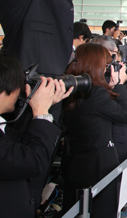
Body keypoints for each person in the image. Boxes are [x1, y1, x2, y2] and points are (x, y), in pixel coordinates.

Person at [62, 43, 127, 218]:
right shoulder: (96, 94)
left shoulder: (74, 91)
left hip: (77, 164)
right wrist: (120, 84)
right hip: (100, 168)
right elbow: (125, 116)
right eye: (106, 64)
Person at [0, 54, 73, 218]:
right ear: (7, 87)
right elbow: (33, 161)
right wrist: (41, 113)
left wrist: (41, 107)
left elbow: (21, 143)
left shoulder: (5, 124)